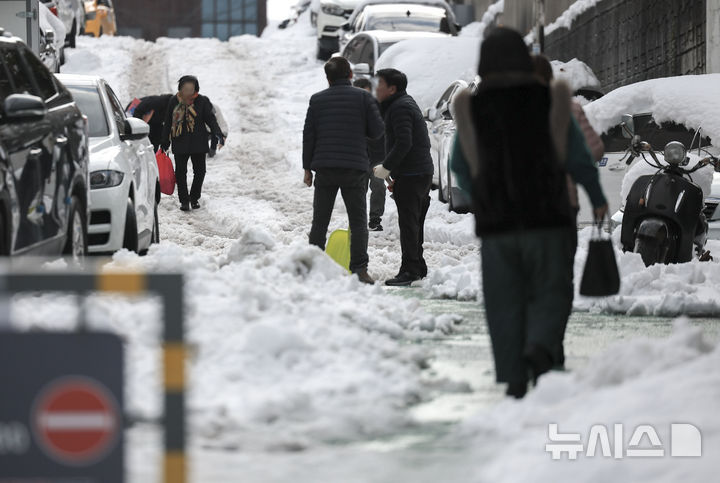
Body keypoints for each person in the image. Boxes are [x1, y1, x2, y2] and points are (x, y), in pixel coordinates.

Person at [449, 28, 608, 398]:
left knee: (504, 300)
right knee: (552, 290)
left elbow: (459, 164)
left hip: (497, 226)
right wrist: (597, 196)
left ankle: (515, 377)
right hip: (549, 217)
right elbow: (578, 158)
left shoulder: (472, 108)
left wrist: (482, 196)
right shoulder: (552, 101)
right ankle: (540, 346)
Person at [303, 57, 384, 284]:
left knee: (320, 221)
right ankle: (360, 269)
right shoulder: (364, 98)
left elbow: (309, 136)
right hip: (354, 168)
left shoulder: (317, 100)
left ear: (327, 78)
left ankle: (313, 265)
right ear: (350, 75)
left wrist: (307, 169)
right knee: (358, 221)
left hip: (325, 169)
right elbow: (378, 131)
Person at [372, 68, 434, 286]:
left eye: (380, 84)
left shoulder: (399, 108)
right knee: (413, 222)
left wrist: (387, 168)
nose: (376, 88)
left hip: (414, 172)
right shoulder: (402, 103)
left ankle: (410, 270)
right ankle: (417, 265)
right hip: (416, 171)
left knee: (409, 223)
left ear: (392, 88)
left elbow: (404, 142)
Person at [161, 75, 225, 212]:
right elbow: (168, 122)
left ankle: (194, 198)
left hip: (198, 142)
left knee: (200, 172)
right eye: (185, 87)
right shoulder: (174, 101)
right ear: (180, 88)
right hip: (180, 141)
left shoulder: (201, 101)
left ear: (196, 88)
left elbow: (210, 119)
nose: (188, 90)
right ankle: (184, 201)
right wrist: (164, 141)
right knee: (180, 173)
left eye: (191, 87)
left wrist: (218, 133)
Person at [353, 77, 386, 231]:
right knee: (358, 190)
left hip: (377, 157)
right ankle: (358, 219)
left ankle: (375, 219)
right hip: (357, 158)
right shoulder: (349, 110)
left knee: (378, 187)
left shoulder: (378, 108)